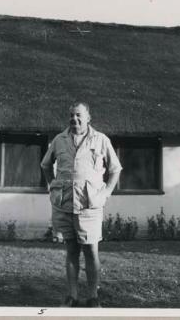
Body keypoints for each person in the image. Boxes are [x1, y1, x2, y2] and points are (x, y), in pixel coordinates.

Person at [40, 102, 122, 308]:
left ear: (88, 118)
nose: (74, 119)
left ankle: (93, 297)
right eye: (71, 116)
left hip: (90, 205)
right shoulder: (59, 140)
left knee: (91, 250)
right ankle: (72, 296)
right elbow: (45, 165)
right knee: (71, 250)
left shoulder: (101, 140)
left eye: (78, 116)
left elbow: (115, 169)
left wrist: (105, 193)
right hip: (64, 204)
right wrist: (52, 187)